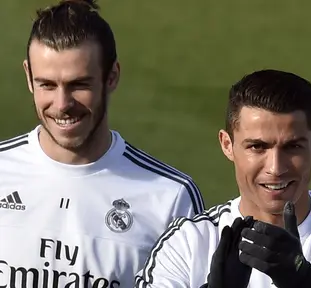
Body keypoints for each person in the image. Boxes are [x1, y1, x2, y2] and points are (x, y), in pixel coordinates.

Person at [0, 0, 205, 287]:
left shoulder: (170, 198)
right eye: (47, 84)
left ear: (112, 77)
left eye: (79, 85)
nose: (62, 105)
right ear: (28, 77)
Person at [135, 69, 311, 288]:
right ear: (227, 145)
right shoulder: (187, 243)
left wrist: (306, 282)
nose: (275, 168)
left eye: (292, 146)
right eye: (257, 147)